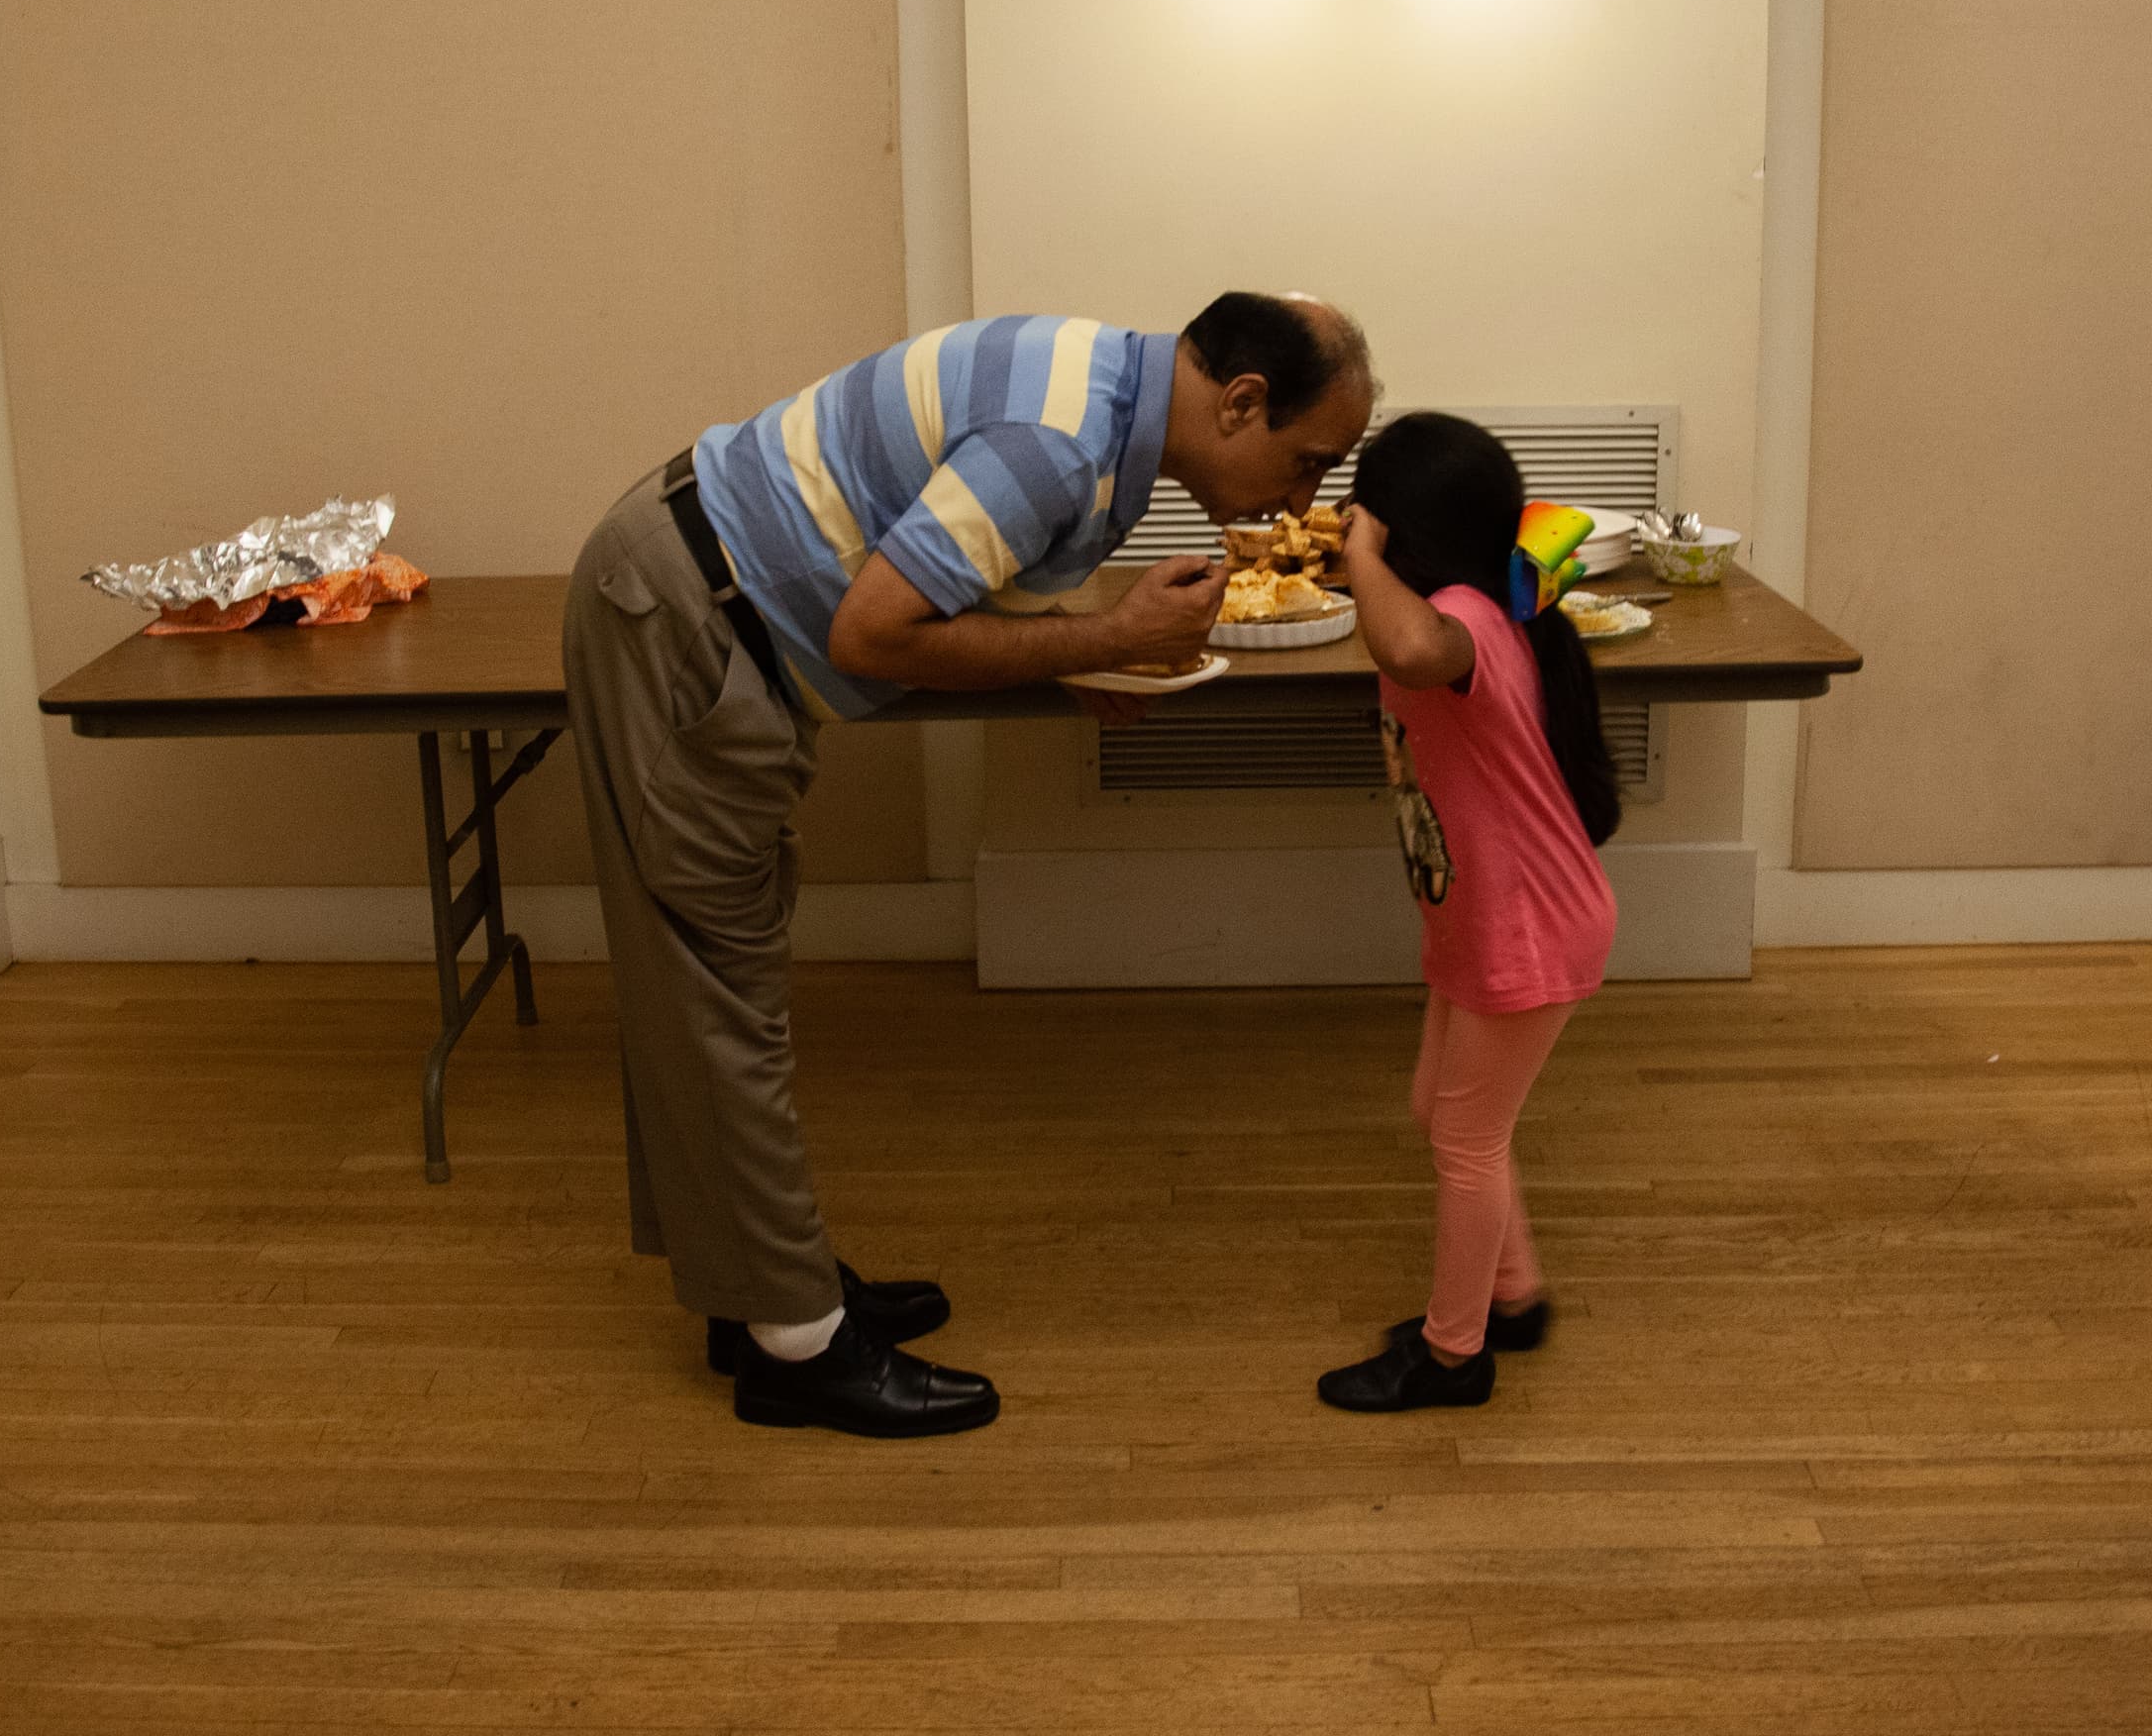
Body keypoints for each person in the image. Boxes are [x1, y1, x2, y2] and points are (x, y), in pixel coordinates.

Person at [563, 293, 1377, 1438]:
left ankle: (761, 1293)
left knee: (715, 986)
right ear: (1242, 402)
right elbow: (875, 633)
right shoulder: (1060, 444)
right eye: (1307, 463)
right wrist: (1105, 639)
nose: (1303, 502)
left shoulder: (1103, 398)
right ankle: (794, 1349)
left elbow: (949, 590)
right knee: (715, 996)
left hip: (709, 604)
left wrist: (1088, 661)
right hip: (688, 617)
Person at [1316, 411, 1620, 1413]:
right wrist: (1362, 556)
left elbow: (1406, 645)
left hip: (1526, 923)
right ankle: (1513, 1296)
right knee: (1441, 1114)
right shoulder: (1473, 599)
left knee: (1465, 1140)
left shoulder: (1465, 621)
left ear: (1400, 530)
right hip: (1489, 913)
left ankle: (1455, 1355)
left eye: (1370, 513)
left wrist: (1359, 548)